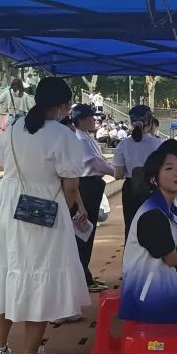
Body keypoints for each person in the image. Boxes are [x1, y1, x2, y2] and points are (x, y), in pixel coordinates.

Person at [0, 77, 90, 354]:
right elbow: (71, 185)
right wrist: (67, 210)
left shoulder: (14, 127)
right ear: (64, 105)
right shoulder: (63, 135)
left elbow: (2, 161)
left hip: (8, 203)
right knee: (40, 273)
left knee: (8, 268)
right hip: (42, 207)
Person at [119, 139, 177, 323]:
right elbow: (172, 259)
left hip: (157, 285)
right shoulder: (152, 214)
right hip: (149, 295)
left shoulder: (172, 206)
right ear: (154, 179)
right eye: (169, 169)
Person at [69, 104, 112, 293]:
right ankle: (82, 277)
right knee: (83, 232)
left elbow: (100, 162)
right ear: (80, 120)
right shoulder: (80, 139)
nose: (93, 120)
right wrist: (120, 172)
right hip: (86, 185)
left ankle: (83, 274)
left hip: (92, 184)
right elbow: (97, 164)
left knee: (87, 231)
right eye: (89, 118)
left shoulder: (87, 137)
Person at [113, 106, 165, 237]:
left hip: (130, 190)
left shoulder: (123, 145)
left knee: (131, 226)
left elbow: (117, 175)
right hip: (153, 188)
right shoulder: (159, 144)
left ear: (131, 123)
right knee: (152, 227)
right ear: (150, 122)